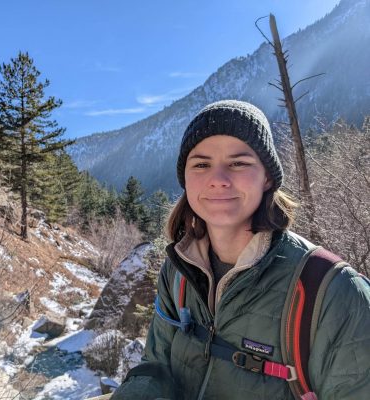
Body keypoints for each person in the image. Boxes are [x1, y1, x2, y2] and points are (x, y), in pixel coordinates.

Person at [111, 100, 370, 400]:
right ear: (186, 180)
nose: (218, 180)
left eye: (238, 163)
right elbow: (156, 367)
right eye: (201, 164)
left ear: (268, 177)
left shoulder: (333, 293)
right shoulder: (178, 273)